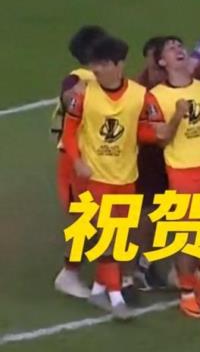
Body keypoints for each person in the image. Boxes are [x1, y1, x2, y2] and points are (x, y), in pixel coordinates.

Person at [62, 36, 167, 320]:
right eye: (94, 63)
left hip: (126, 177)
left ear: (119, 65)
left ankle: (99, 289)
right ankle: (117, 297)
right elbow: (69, 132)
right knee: (108, 235)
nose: (96, 69)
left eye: (103, 63)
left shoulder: (139, 95)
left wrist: (156, 133)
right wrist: (77, 161)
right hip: (94, 177)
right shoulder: (84, 95)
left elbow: (142, 131)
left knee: (121, 236)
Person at [147, 36, 200, 319]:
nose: (178, 50)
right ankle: (187, 294)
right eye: (170, 48)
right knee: (188, 236)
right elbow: (161, 139)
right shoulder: (156, 96)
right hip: (184, 171)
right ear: (162, 61)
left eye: (179, 46)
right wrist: (177, 116)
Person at [53, 25, 107, 300]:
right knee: (87, 220)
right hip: (77, 162)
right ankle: (69, 274)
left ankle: (107, 275)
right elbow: (68, 97)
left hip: (99, 159)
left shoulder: (103, 78)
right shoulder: (80, 77)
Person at [132, 37, 170, 293]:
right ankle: (140, 264)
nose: (154, 69)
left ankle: (148, 262)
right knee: (149, 210)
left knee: (163, 210)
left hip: (173, 156)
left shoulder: (176, 84)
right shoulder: (140, 89)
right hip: (148, 157)